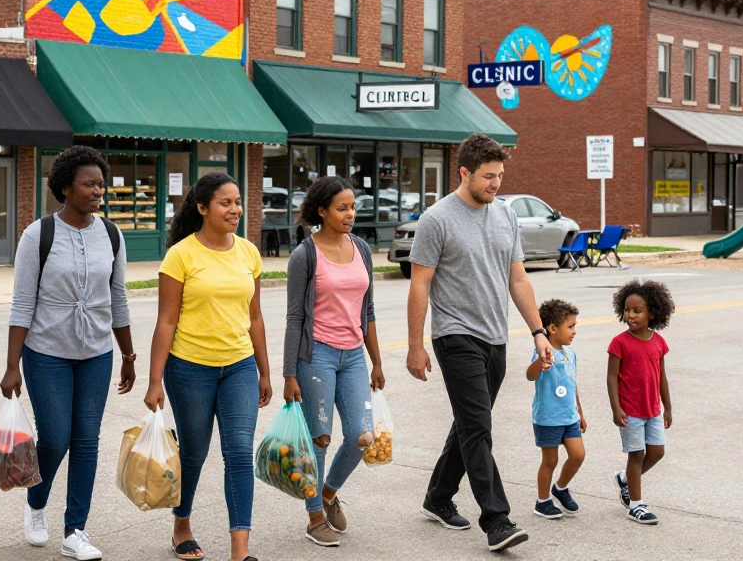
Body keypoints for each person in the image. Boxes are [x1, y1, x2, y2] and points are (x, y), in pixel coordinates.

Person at [406, 133, 554, 553]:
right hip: (455, 335)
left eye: (500, 176)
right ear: (465, 172)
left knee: (470, 423)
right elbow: (420, 285)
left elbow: (517, 278)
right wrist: (415, 345)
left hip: (495, 337)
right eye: (488, 176)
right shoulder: (437, 219)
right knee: (478, 427)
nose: (496, 184)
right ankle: (497, 520)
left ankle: (438, 496)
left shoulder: (505, 215)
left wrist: (538, 331)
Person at [3, 145, 136, 561]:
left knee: (86, 441)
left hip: (97, 352)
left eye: (101, 184)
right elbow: (22, 303)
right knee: (55, 438)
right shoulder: (38, 235)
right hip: (46, 352)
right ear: (65, 188)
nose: (98, 191)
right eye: (88, 184)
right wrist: (11, 366)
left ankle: (75, 530)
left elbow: (118, 298)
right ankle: (36, 502)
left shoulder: (112, 235)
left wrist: (128, 356)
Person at [144, 172, 273, 561]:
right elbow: (166, 320)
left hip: (239, 367)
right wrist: (154, 381)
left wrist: (265, 371)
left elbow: (255, 317)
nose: (235, 210)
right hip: (189, 368)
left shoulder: (248, 252)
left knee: (239, 451)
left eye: (238, 202)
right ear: (202, 208)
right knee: (194, 453)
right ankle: (181, 524)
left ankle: (240, 550)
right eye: (225, 203)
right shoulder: (181, 255)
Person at [282, 177, 385, 548]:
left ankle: (328, 492)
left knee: (362, 436)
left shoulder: (362, 249)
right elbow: (295, 318)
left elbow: (367, 309)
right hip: (317, 357)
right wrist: (289, 374)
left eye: (353, 207)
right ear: (322, 211)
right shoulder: (304, 255)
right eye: (342, 208)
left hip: (354, 354)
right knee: (320, 439)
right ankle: (314, 519)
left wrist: (376, 361)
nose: (350, 214)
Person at [607, 279, 674, 526]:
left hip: (652, 409)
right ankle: (635, 505)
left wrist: (667, 407)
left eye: (637, 311)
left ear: (652, 313)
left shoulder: (659, 342)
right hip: (630, 411)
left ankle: (625, 479)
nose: (630, 315)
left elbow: (661, 376)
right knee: (636, 455)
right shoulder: (619, 342)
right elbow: (611, 377)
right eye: (627, 310)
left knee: (657, 452)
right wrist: (616, 407)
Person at [527, 299, 586, 520]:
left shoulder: (571, 354)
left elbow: (572, 383)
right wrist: (540, 362)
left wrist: (580, 412)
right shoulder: (543, 351)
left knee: (578, 455)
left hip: (569, 417)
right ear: (552, 328)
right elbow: (530, 375)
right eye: (570, 327)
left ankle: (560, 488)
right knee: (550, 461)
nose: (574, 331)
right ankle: (542, 502)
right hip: (548, 418)